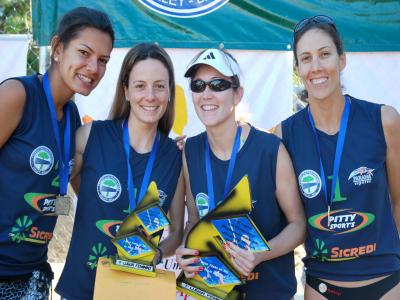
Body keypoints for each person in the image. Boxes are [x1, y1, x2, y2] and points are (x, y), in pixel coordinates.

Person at [274, 15, 400, 299]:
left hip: (386, 283)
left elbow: (399, 198)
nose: (316, 67)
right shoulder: (283, 135)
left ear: (341, 60)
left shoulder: (384, 120)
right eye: (306, 58)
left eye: (325, 54)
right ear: (297, 68)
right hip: (322, 285)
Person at [0, 7, 114, 299]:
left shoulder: (72, 119)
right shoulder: (18, 95)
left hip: (32, 274)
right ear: (57, 48)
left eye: (103, 60)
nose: (93, 68)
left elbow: (86, 190)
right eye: (84, 53)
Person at [55, 43, 185, 300]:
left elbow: (177, 232)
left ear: (169, 92)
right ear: (126, 90)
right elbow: (56, 184)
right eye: (140, 86)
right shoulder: (91, 136)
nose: (150, 95)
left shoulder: (176, 158)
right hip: (82, 289)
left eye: (159, 86)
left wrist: (156, 254)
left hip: (136, 291)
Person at [176, 48, 306, 299]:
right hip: (213, 292)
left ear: (237, 94)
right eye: (198, 85)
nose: (206, 94)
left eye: (218, 84)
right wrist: (186, 250)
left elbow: (299, 225)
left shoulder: (270, 149)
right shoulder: (190, 151)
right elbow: (194, 223)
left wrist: (259, 255)